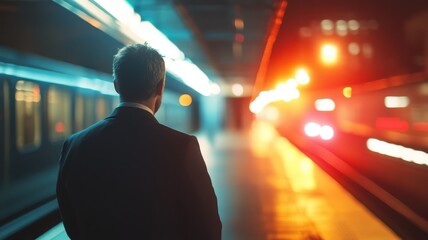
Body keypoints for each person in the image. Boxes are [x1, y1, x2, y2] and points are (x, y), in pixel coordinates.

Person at [56, 43, 222, 239]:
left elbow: (70, 216)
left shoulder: (75, 145)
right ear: (160, 86)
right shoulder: (182, 147)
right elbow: (207, 226)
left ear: (116, 85)